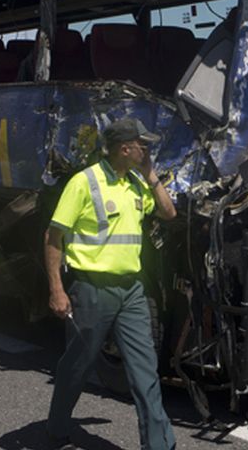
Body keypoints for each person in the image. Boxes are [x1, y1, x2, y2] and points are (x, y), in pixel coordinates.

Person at [45, 118, 177, 450]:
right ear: (125, 148)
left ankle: (160, 445)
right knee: (77, 366)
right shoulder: (83, 183)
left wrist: (150, 175)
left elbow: (168, 212)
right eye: (142, 146)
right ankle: (58, 426)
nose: (147, 150)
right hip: (91, 290)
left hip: (131, 291)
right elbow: (53, 236)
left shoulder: (136, 183)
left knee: (145, 370)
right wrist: (57, 290)